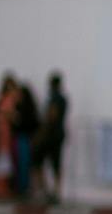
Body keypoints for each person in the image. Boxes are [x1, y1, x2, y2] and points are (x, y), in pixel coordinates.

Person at [37, 72, 70, 203]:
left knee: (42, 161)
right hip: (59, 134)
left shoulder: (55, 98)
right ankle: (55, 191)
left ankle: (49, 191)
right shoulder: (63, 98)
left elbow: (52, 115)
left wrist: (41, 133)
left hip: (51, 135)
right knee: (56, 163)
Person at [12, 79, 41, 204]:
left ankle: (24, 188)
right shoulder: (20, 106)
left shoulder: (27, 109)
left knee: (24, 164)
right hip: (20, 138)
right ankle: (21, 187)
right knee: (20, 164)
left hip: (25, 138)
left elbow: (30, 124)